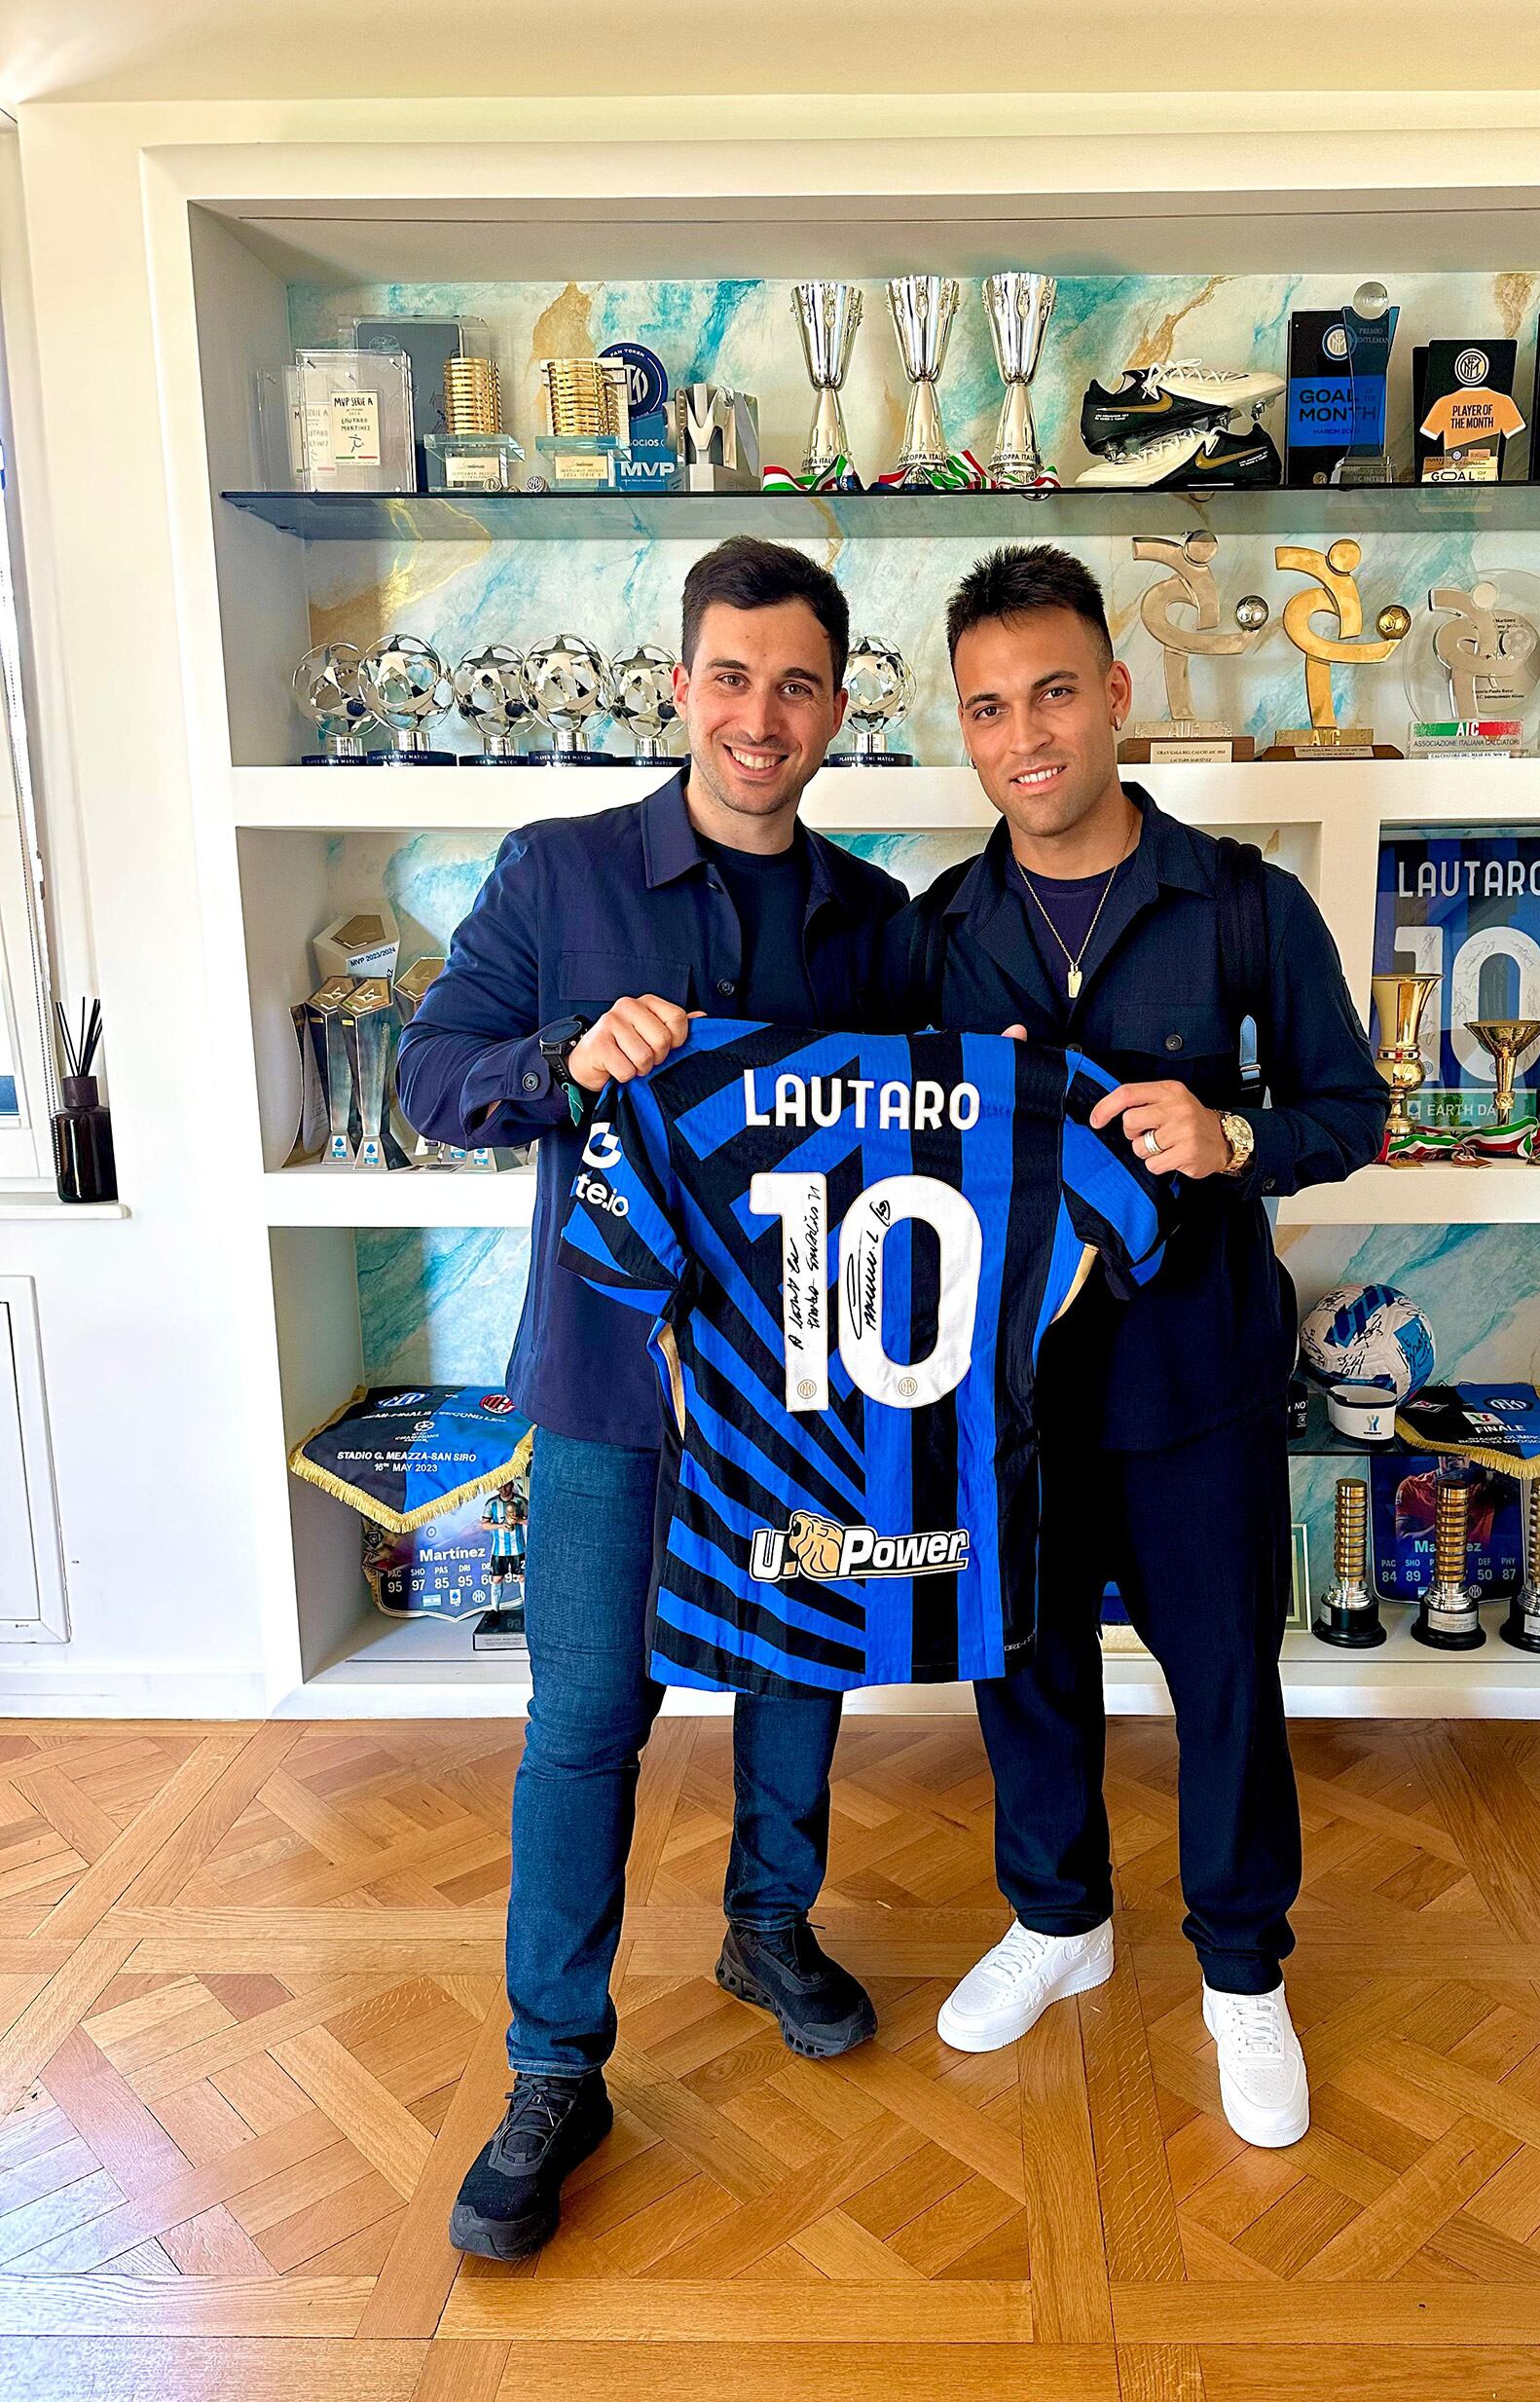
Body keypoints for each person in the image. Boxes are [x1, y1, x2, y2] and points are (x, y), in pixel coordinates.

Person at [397, 538, 904, 2257]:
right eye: (733, 677)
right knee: (586, 1718)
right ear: (680, 685)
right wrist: (562, 1061)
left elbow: (938, 1132)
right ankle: (554, 2065)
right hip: (612, 1388)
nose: (762, 716)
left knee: (798, 1677)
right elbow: (429, 1080)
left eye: (798, 685)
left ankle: (769, 1925)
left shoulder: (877, 921)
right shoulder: (557, 875)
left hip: (814, 1390)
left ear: (836, 706)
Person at [889, 545, 1386, 2149]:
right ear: (964, 732)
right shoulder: (936, 932)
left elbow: (1352, 1110)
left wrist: (1234, 1135)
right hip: (1006, 1392)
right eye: (987, 709)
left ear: (1113, 694)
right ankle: (1061, 1922)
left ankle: (1243, 1973)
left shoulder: (1244, 903)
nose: (1024, 735)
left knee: (1225, 1677)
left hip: (1197, 1381)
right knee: (1023, 1665)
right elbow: (878, 1146)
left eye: (1051, 693)